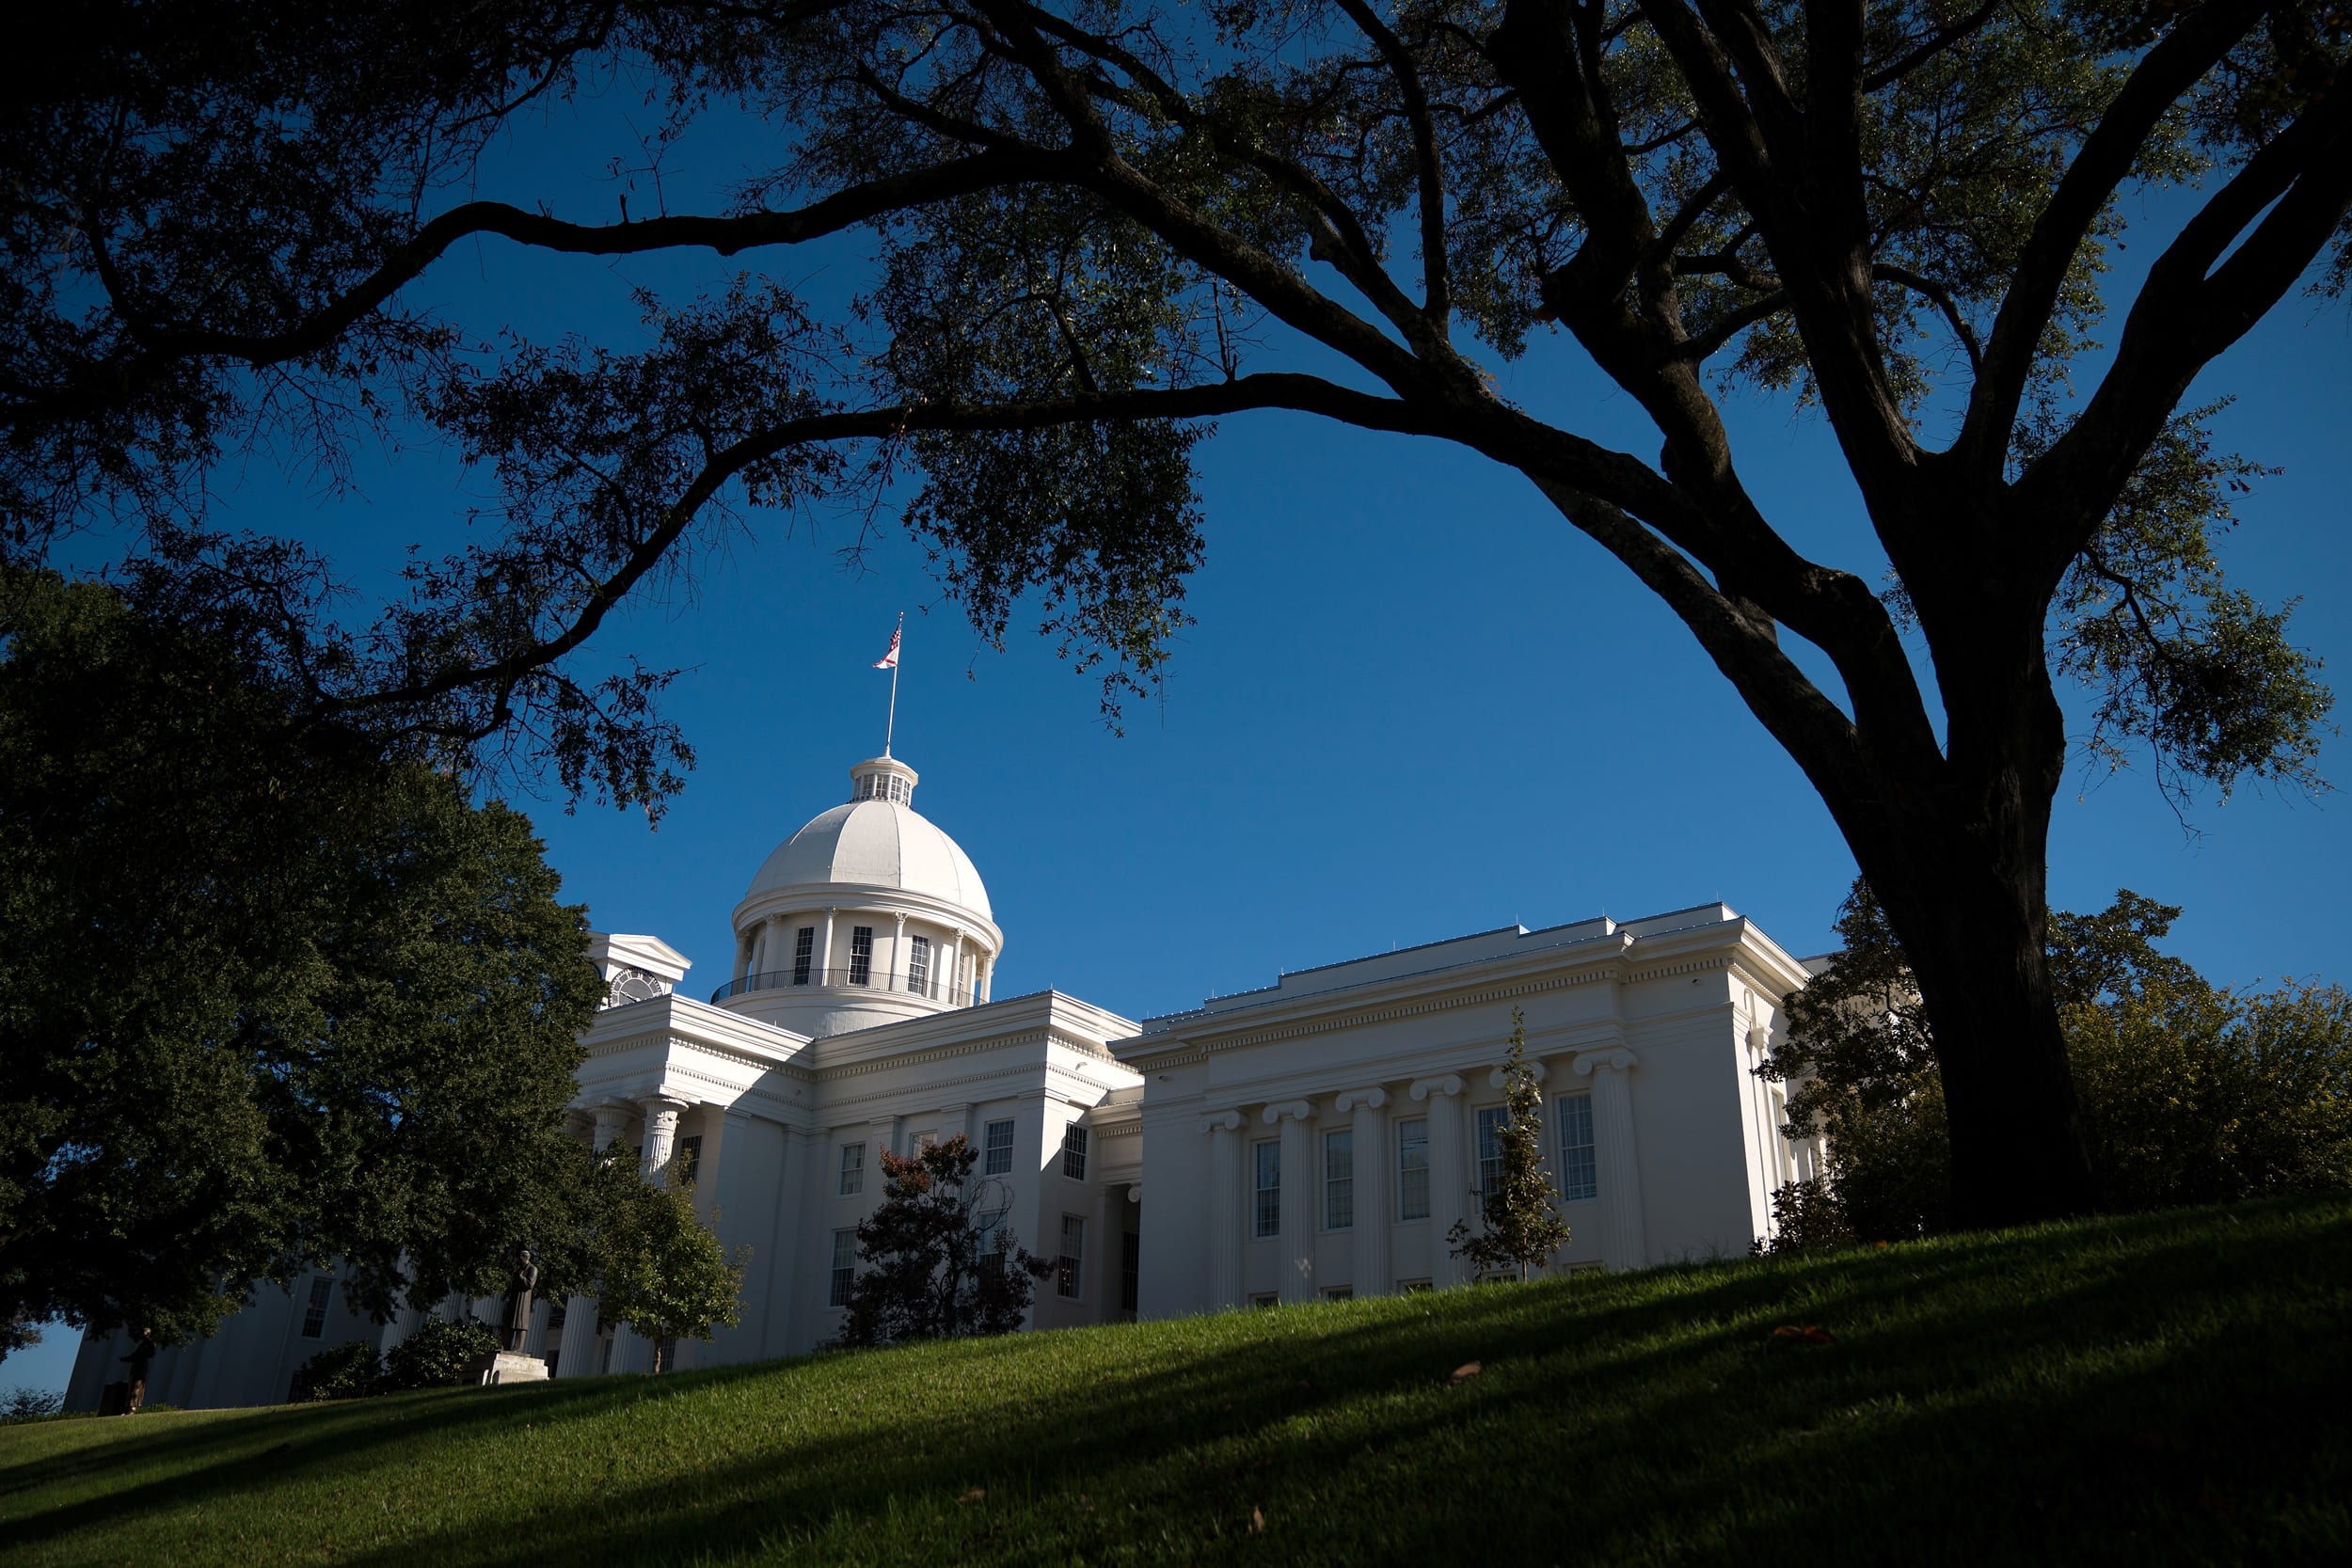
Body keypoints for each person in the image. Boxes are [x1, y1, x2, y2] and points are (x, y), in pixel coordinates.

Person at [121, 1329, 158, 1414]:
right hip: (136, 1367)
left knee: (137, 1386)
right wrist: (125, 1359)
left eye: (145, 1333)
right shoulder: (142, 1345)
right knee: (131, 1386)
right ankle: (128, 1407)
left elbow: (152, 1353)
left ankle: (132, 1408)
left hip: (141, 1368)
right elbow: (135, 1355)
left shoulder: (150, 1344)